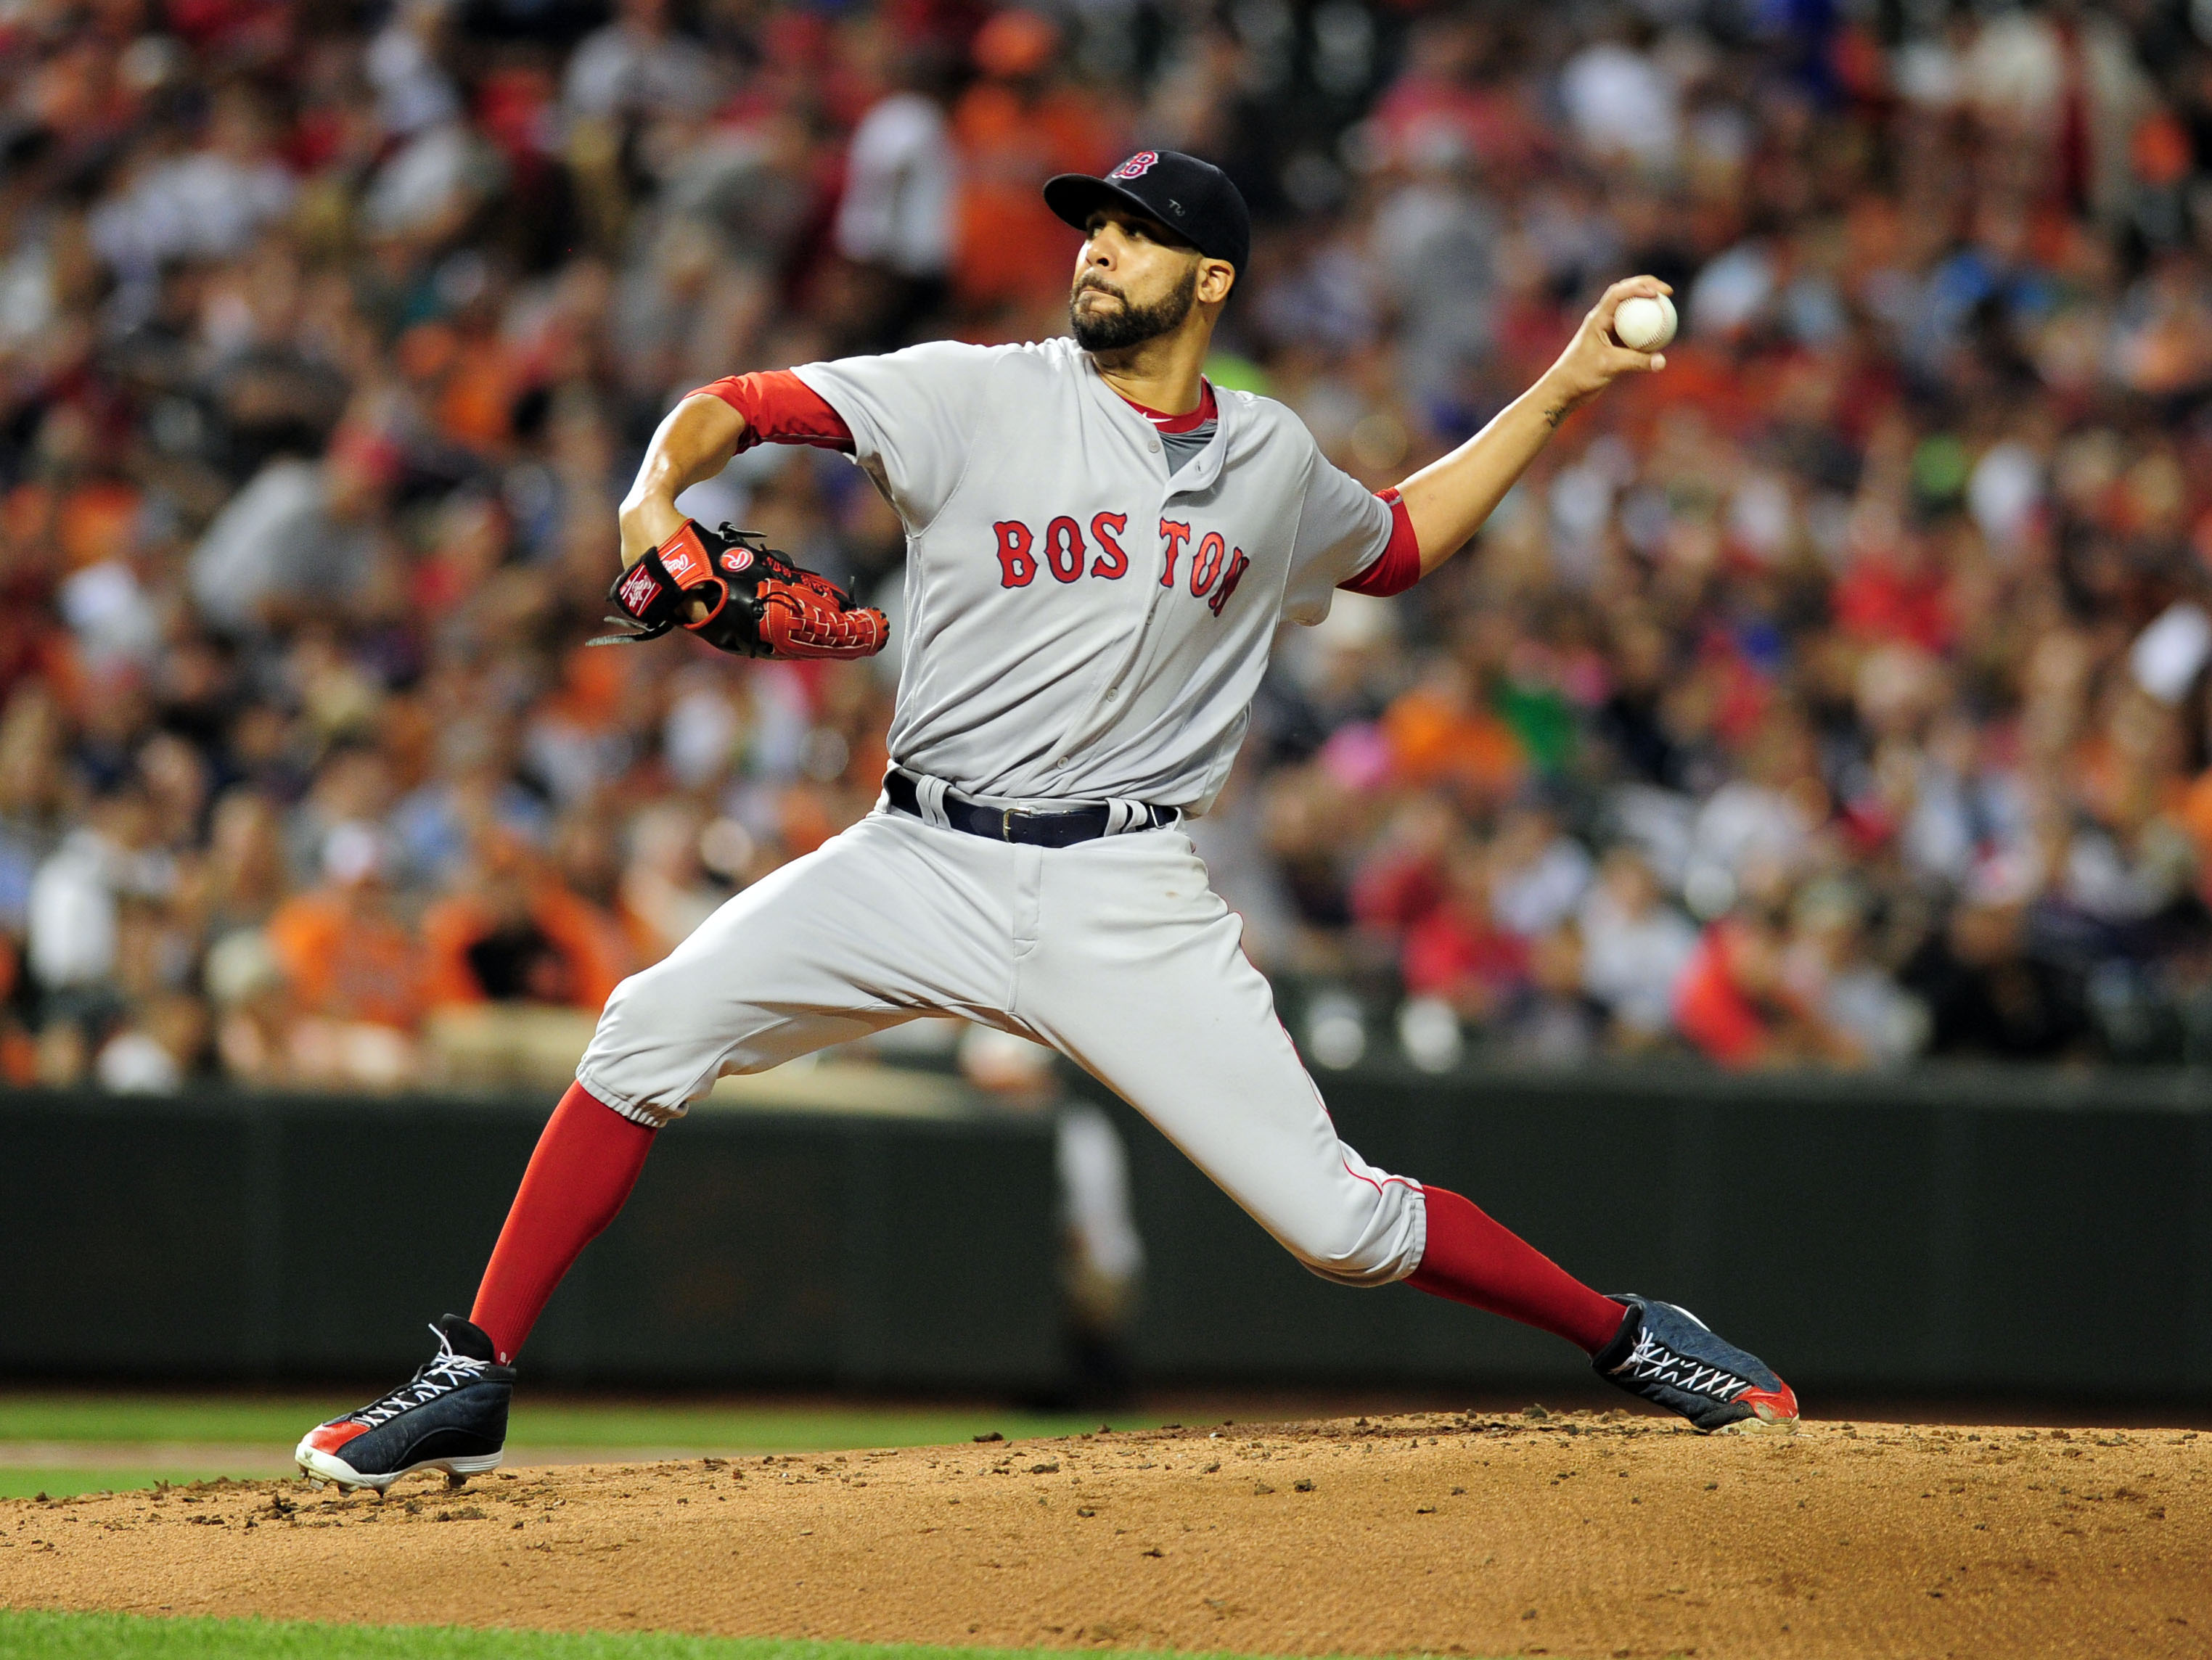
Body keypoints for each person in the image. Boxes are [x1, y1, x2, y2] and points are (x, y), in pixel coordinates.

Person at [295, 149, 1795, 1493]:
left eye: (1135, 234)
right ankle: (472, 1371)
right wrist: (648, 508)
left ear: (1209, 279)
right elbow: (731, 411)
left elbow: (1395, 545)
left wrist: (1568, 389)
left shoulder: (1268, 461)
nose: (1096, 249)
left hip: (1123, 891)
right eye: (1092, 225)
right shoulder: (974, 390)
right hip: (918, 857)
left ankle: (1630, 1334)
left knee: (1340, 1228)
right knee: (642, 1030)